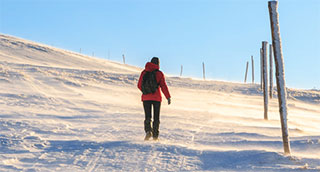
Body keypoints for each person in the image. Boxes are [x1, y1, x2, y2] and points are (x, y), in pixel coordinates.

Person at [137, 57, 171, 140]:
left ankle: (148, 131)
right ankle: (155, 135)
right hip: (156, 98)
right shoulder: (159, 73)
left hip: (146, 98)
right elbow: (163, 86)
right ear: (158, 63)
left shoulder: (144, 72)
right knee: (156, 117)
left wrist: (146, 91)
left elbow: (139, 85)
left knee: (147, 116)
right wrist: (168, 97)